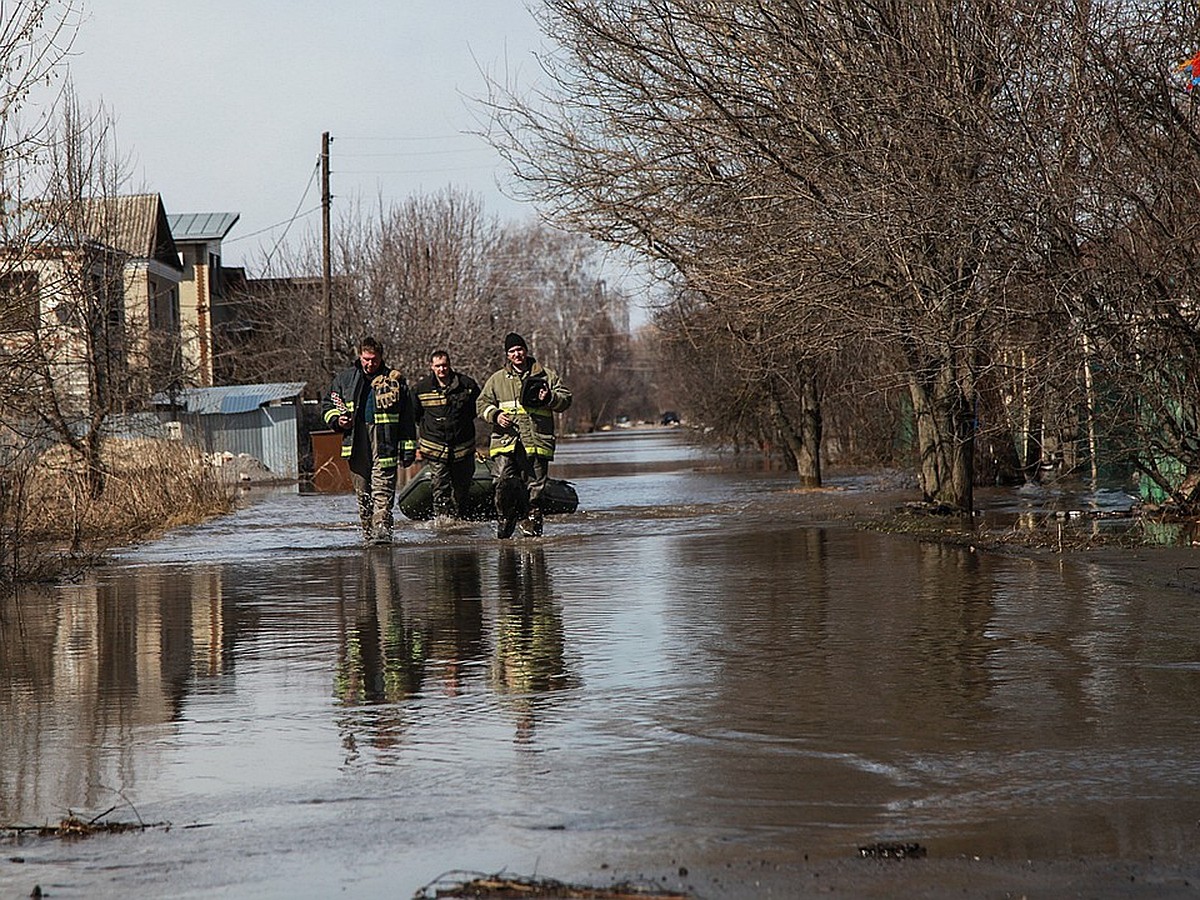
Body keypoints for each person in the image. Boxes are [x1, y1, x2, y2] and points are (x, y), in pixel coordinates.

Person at [476, 332, 572, 538]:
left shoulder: (546, 375)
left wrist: (550, 397)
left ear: (526, 350)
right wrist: (496, 415)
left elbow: (566, 399)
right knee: (501, 482)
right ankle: (505, 521)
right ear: (507, 355)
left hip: (536, 440)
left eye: (519, 349)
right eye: (512, 351)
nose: (516, 354)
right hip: (506, 441)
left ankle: (532, 529)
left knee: (535, 487)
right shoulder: (497, 379)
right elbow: (481, 404)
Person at [321, 337, 416, 544]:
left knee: (383, 486)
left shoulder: (395, 381)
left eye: (374, 359)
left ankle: (382, 530)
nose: (370, 364)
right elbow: (327, 406)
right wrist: (338, 420)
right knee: (363, 492)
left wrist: (408, 448)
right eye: (366, 359)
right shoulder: (345, 380)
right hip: (355, 440)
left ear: (381, 357)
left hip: (385, 440)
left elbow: (407, 418)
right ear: (360, 356)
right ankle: (368, 534)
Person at [410, 349, 481, 521]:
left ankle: (460, 519)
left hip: (462, 446)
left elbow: (476, 409)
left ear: (450, 365)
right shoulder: (421, 388)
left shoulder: (467, 385)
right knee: (439, 485)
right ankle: (443, 521)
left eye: (444, 365)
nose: (442, 369)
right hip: (435, 446)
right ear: (431, 367)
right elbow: (415, 415)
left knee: (462, 485)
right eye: (438, 366)